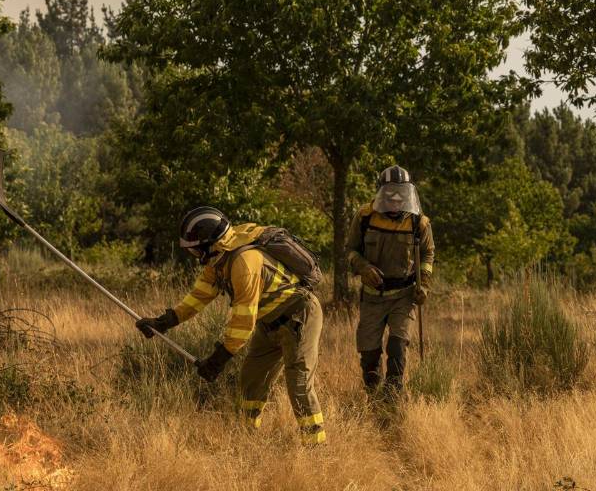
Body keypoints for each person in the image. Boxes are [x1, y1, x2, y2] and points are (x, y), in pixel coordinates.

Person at [135, 206, 326, 445]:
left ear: (210, 244)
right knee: (251, 380)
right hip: (269, 324)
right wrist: (163, 322)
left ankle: (315, 446)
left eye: (195, 249)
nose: (194, 254)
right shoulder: (217, 263)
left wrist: (218, 359)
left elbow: (242, 322)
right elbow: (197, 298)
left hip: (299, 317)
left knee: (298, 382)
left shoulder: (245, 263)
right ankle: (247, 438)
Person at [347, 165, 434, 397]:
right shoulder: (365, 217)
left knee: (397, 345)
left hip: (404, 296)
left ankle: (393, 397)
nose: (396, 202)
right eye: (390, 195)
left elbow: (427, 254)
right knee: (369, 352)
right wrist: (363, 268)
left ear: (408, 194)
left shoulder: (419, 223)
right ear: (381, 194)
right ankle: (373, 396)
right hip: (372, 296)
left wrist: (423, 283)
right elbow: (351, 250)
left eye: (400, 196)